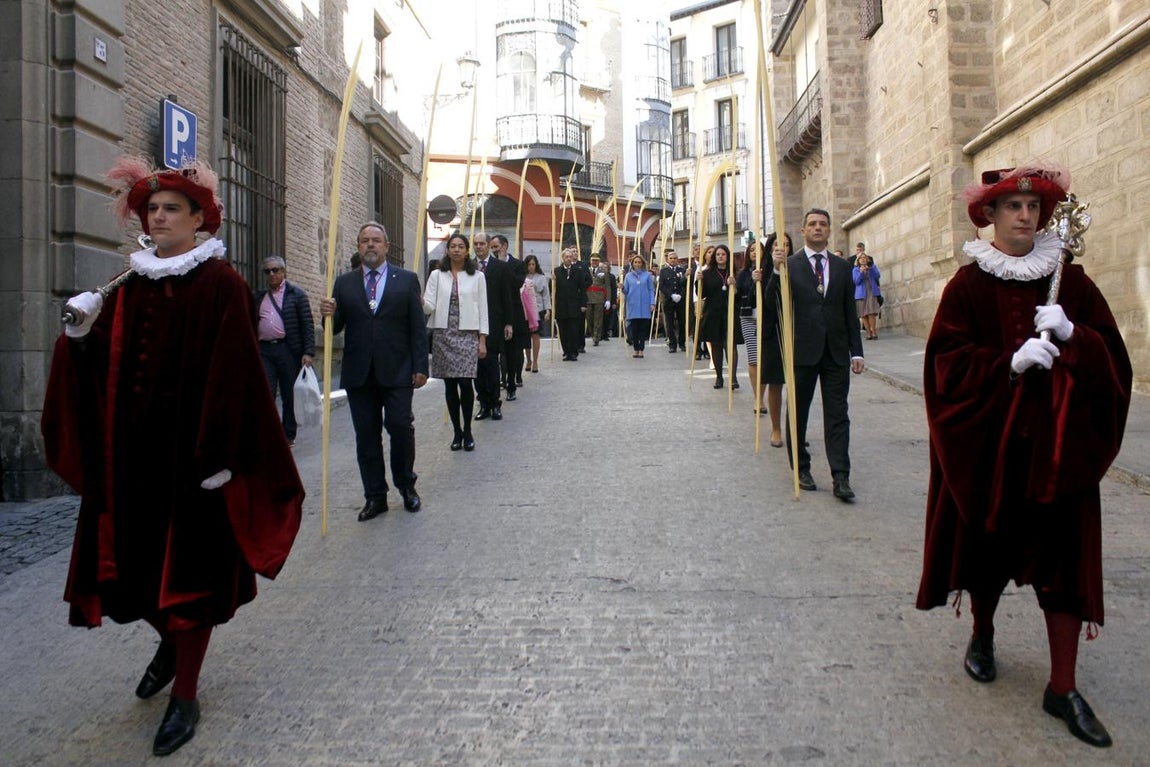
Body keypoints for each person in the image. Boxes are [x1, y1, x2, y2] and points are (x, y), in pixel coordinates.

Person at [42, 156, 303, 756]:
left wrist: (222, 455)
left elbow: (237, 373)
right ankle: (168, 645)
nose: (158, 218)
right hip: (134, 463)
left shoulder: (222, 286)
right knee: (132, 575)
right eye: (151, 210)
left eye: (170, 210)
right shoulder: (128, 286)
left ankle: (186, 694)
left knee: (190, 583)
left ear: (197, 219)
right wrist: (80, 336)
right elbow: (104, 366)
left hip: (195, 466)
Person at [915, 163, 1131, 749]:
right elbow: (944, 366)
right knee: (985, 553)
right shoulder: (967, 287)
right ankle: (982, 636)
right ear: (991, 214)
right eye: (1014, 207)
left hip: (1058, 457)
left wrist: (1073, 337)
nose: (1026, 217)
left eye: (1034, 209)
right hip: (990, 449)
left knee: (1062, 566)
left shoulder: (1073, 284)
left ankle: (1062, 687)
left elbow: (1114, 363)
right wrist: (1005, 365)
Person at [319, 222, 428, 519]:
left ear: (387, 246)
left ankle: (406, 486)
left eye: (376, 240)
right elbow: (336, 326)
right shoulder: (344, 283)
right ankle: (375, 495)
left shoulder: (406, 280)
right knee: (366, 436)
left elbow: (417, 328)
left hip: (398, 370)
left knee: (401, 428)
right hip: (359, 372)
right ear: (358, 246)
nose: (370, 245)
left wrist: (421, 366)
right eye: (365, 240)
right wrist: (327, 313)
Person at [767, 208, 865, 500]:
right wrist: (775, 271)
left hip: (835, 352)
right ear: (803, 231)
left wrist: (856, 352)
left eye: (823, 224)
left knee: (838, 415)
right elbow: (774, 306)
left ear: (829, 229)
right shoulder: (790, 264)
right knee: (798, 412)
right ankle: (801, 468)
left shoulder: (842, 267)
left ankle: (841, 476)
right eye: (812, 224)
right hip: (802, 351)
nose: (818, 228)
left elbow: (850, 311)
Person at [423, 233, 488, 452]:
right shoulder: (436, 275)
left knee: (465, 383)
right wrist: (418, 300)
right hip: (443, 333)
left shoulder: (477, 276)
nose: (457, 250)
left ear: (467, 250)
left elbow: (483, 310)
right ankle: (456, 431)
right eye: (453, 246)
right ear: (448, 250)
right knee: (450, 385)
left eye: (461, 246)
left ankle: (468, 430)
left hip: (468, 334)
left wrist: (482, 340)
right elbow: (429, 304)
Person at [254, 255, 315, 447]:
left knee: (289, 393)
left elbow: (307, 324)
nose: (271, 274)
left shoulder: (297, 295)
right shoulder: (259, 297)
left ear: (283, 271)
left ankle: (288, 434)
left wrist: (308, 352)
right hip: (264, 350)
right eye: (267, 271)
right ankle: (268, 432)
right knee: (266, 391)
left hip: (288, 349)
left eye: (275, 270)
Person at [751, 233, 793, 447]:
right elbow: (768, 300)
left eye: (786, 245)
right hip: (772, 332)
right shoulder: (764, 270)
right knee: (776, 382)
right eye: (777, 245)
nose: (782, 248)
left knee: (798, 385)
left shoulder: (798, 268)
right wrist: (775, 271)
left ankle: (797, 429)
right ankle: (776, 428)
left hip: (794, 331)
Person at [470, 232, 514, 419]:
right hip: (472, 323)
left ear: (488, 245)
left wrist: (508, 323)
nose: (478, 247)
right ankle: (483, 403)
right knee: (477, 366)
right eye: (475, 244)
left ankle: (495, 403)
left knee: (491, 363)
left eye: (481, 243)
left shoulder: (500, 268)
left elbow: (507, 297)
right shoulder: (468, 267)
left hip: (494, 322)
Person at [490, 234, 529, 394]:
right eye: (492, 248)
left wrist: (502, 265)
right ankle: (500, 380)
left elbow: (516, 283)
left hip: (513, 311)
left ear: (505, 246)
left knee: (512, 350)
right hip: (495, 312)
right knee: (497, 350)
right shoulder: (490, 265)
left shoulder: (518, 264)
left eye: (496, 247)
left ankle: (512, 382)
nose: (494, 250)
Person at [699, 244, 740, 389]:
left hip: (729, 312)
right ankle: (719, 377)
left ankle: (733, 377)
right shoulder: (708, 273)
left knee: (731, 344)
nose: (720, 257)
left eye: (723, 254)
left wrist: (734, 286)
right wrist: (699, 281)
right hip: (713, 313)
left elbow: (740, 296)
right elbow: (701, 294)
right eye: (718, 254)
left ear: (728, 256)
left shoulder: (734, 272)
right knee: (716, 345)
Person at [553, 246, 589, 361]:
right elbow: (553, 289)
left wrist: (583, 304)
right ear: (563, 258)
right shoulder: (557, 271)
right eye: (566, 257)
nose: (568, 258)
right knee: (563, 331)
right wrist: (552, 281)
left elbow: (582, 288)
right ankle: (566, 351)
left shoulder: (577, 271)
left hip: (574, 305)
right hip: (561, 306)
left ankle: (573, 352)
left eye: (570, 256)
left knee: (573, 330)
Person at [621, 253, 656, 358]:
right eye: (635, 262)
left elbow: (651, 290)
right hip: (632, 305)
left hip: (644, 305)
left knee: (642, 330)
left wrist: (652, 303)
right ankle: (635, 349)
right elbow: (626, 291)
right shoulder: (628, 276)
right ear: (632, 263)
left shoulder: (647, 275)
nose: (637, 264)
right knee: (634, 330)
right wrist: (622, 288)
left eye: (639, 262)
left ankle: (641, 349)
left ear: (642, 264)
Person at [523, 254, 551, 372]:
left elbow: (546, 295)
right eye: (529, 264)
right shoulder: (522, 277)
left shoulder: (541, 278)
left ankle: (535, 361)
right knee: (526, 337)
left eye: (533, 264)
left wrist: (548, 310)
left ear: (536, 265)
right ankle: (528, 360)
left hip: (538, 309)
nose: (531, 267)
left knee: (535, 335)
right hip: (524, 310)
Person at [659, 249, 688, 353]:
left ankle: (682, 343)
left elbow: (686, 285)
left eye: (675, 258)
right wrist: (671, 295)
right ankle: (672, 344)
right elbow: (661, 286)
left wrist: (680, 295)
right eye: (671, 258)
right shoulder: (663, 271)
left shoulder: (682, 270)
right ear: (668, 259)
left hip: (681, 300)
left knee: (682, 322)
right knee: (669, 323)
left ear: (678, 259)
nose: (673, 260)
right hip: (669, 300)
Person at [853, 252, 882, 340]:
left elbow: (877, 276)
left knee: (871, 313)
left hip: (871, 292)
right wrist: (861, 273)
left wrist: (870, 269)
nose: (863, 259)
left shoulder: (872, 267)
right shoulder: (855, 270)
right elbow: (856, 281)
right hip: (861, 294)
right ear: (858, 260)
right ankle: (868, 332)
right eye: (861, 258)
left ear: (867, 259)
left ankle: (874, 332)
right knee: (863, 314)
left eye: (864, 257)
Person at [692, 245, 715, 361]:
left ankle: (708, 352)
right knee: (700, 327)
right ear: (705, 255)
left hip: (713, 302)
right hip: (701, 301)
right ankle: (697, 350)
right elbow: (696, 289)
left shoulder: (717, 268)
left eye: (713, 252)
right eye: (709, 252)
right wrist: (696, 302)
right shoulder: (701, 268)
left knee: (710, 327)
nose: (712, 254)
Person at [584, 253, 611, 346]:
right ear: (590, 261)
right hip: (588, 298)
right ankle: (592, 334)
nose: (594, 262)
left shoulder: (604, 271)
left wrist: (608, 300)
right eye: (593, 260)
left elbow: (607, 286)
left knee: (598, 320)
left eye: (596, 260)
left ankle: (596, 338)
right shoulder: (586, 270)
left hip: (599, 298)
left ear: (599, 261)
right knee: (589, 319)